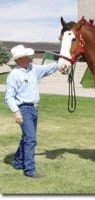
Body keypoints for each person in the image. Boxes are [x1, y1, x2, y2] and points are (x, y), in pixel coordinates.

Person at [5, 45, 59, 178]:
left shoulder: (33, 69)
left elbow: (48, 69)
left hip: (34, 109)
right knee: (31, 139)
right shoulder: (14, 75)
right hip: (23, 109)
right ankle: (30, 170)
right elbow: (9, 97)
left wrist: (61, 62)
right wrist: (16, 112)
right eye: (26, 57)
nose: (29, 58)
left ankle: (18, 162)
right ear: (19, 59)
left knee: (27, 138)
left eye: (28, 56)